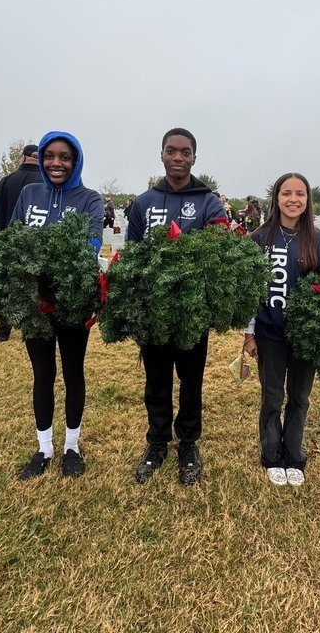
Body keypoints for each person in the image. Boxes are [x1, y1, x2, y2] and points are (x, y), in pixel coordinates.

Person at [128, 128, 227, 486]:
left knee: (190, 382)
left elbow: (220, 249)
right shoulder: (143, 202)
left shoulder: (208, 202)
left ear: (194, 158)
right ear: (162, 155)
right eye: (171, 151)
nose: (178, 158)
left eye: (185, 152)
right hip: (154, 313)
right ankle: (156, 443)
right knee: (156, 382)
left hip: (192, 312)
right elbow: (132, 256)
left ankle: (188, 444)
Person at [10, 132, 104, 479]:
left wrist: (52, 260)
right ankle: (44, 447)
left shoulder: (89, 199)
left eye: (65, 157)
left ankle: (71, 447)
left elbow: (92, 242)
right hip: (34, 304)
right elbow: (15, 237)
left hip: (73, 302)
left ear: (76, 160)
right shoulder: (29, 193)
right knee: (43, 375)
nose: (56, 163)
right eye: (50, 156)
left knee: (73, 372)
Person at [244, 173, 320, 486]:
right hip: (269, 333)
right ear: (276, 198)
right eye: (286, 193)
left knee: (299, 398)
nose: (293, 199)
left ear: (308, 200)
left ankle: (294, 455)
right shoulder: (260, 237)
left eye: (300, 194)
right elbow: (251, 290)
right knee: (271, 397)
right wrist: (249, 333)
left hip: (304, 337)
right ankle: (271, 455)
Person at [0, 144, 45, 342]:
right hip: (37, 246)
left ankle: (3, 333)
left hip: (8, 243)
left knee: (7, 288)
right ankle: (33, 330)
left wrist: (0, 241)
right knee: (38, 288)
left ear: (22, 158)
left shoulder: (6, 182)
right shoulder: (45, 182)